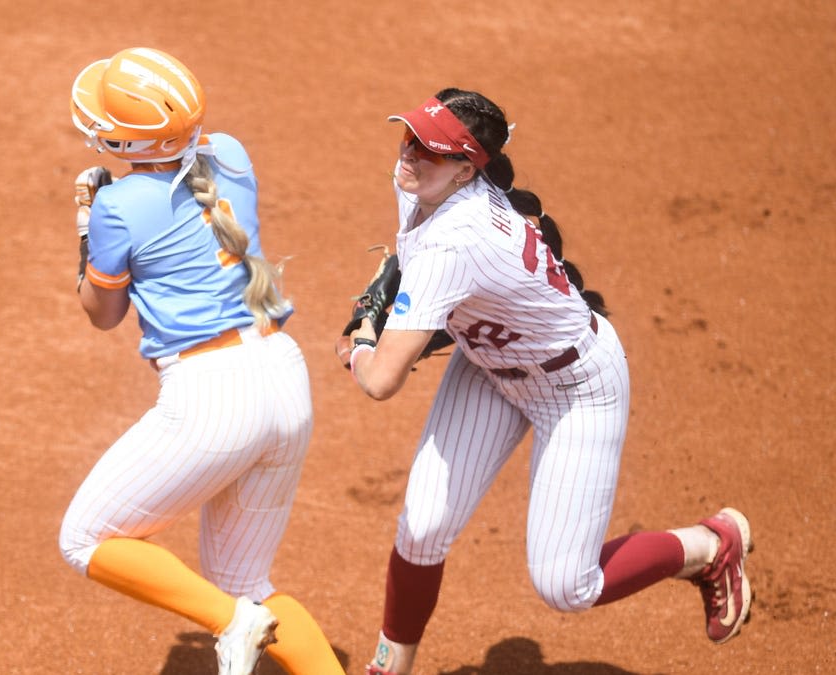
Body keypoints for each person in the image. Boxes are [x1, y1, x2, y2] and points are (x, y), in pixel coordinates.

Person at [334, 88, 753, 675]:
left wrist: (359, 338)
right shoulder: (428, 188)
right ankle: (390, 664)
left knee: (566, 587)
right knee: (423, 526)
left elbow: (379, 382)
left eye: (428, 149)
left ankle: (710, 546)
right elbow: (415, 262)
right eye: (409, 136)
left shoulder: (459, 241)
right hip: (487, 367)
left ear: (464, 170)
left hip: (576, 387)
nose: (409, 153)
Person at [58, 46, 344, 675]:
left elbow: (102, 312)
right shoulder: (232, 154)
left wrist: (87, 227)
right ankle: (245, 615)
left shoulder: (117, 206)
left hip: (213, 398)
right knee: (246, 582)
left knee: (86, 539)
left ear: (122, 141)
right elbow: (184, 190)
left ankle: (230, 621)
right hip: (283, 376)